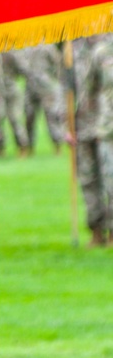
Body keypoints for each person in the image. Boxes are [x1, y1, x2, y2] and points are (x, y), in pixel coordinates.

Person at [68, 34, 113, 247]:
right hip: (97, 126)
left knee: (111, 180)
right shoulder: (88, 50)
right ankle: (97, 231)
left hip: (105, 127)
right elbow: (86, 90)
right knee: (93, 179)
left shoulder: (102, 49)